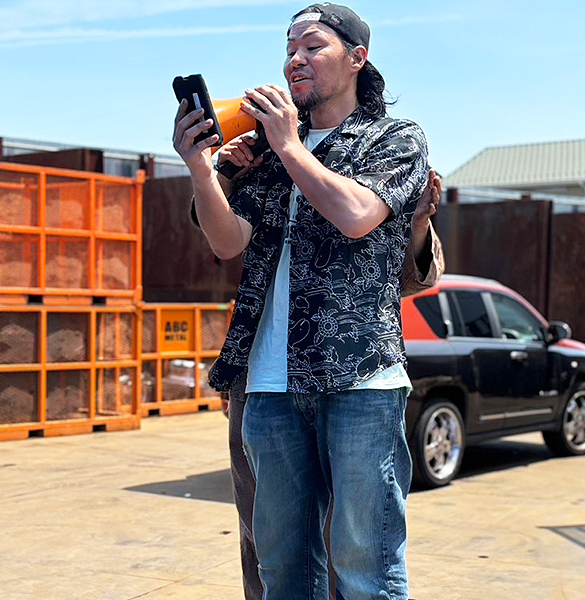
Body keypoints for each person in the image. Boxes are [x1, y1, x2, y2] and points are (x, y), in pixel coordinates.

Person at [173, 4, 429, 599]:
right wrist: (202, 170)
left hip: (359, 379)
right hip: (268, 386)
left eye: (312, 46)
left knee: (364, 568)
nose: (296, 60)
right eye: (289, 49)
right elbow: (227, 241)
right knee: (282, 571)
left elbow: (357, 215)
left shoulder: (396, 138)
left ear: (357, 58)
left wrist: (290, 145)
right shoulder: (262, 151)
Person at [223, 172, 444, 600]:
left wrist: (417, 226)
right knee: (269, 550)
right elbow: (221, 236)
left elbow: (410, 272)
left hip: (348, 372)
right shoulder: (265, 154)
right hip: (262, 376)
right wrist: (219, 175)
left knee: (356, 553)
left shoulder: (372, 156)